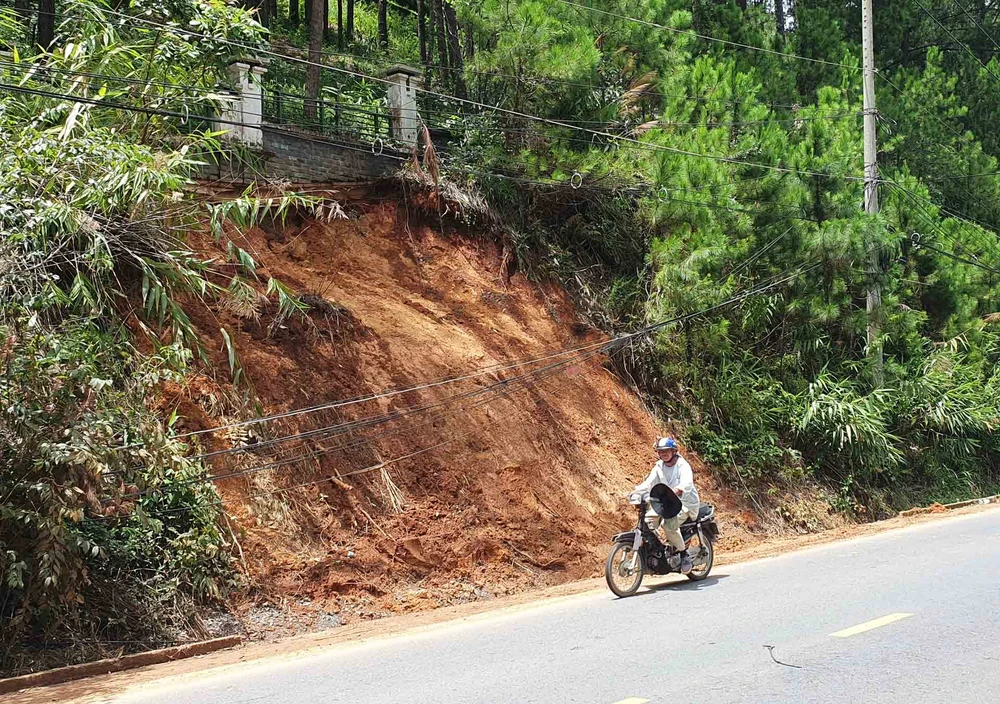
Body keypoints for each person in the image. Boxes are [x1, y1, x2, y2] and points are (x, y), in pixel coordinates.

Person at [632, 437, 700, 573]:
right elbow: (649, 483)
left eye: (666, 451)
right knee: (647, 520)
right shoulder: (659, 467)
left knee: (668, 525)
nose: (663, 454)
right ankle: (659, 548)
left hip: (685, 503)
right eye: (660, 451)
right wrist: (635, 492)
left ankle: (684, 554)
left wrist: (678, 490)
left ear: (674, 451)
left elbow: (687, 482)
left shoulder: (682, 465)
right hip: (667, 502)